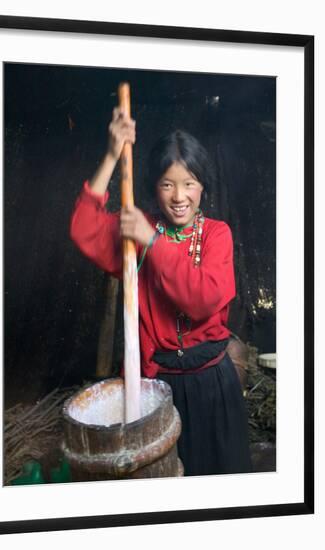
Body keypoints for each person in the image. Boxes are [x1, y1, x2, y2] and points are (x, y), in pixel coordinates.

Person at [70, 106, 252, 476]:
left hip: (211, 387)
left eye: (189, 183)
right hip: (156, 386)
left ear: (203, 186)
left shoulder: (216, 235)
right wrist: (111, 154)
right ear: (155, 187)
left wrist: (151, 241)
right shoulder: (141, 228)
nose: (179, 195)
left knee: (218, 487)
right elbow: (84, 229)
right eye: (168, 184)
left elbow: (202, 301)